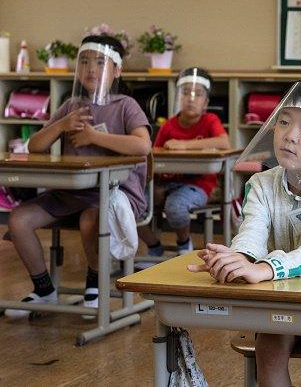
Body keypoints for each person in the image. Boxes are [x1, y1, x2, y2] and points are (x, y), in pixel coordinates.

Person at [188, 74, 301, 387]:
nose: (290, 135)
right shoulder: (261, 183)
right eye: (284, 121)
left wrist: (264, 268)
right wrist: (236, 259)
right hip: (286, 298)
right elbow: (252, 234)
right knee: (268, 349)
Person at [5, 35, 151, 318]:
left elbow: (142, 145)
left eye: (100, 62)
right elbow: (35, 146)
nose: (91, 69)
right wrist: (60, 125)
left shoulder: (125, 105)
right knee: (18, 219)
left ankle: (95, 284)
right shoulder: (71, 106)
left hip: (113, 194)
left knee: (89, 219)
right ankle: (45, 290)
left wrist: (93, 136)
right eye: (84, 61)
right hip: (70, 193)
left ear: (117, 70)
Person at [136, 68, 230, 269]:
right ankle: (154, 247)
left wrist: (185, 145)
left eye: (198, 94)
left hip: (199, 185)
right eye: (186, 92)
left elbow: (224, 143)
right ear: (178, 96)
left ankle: (183, 243)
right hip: (166, 182)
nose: (191, 98)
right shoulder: (169, 125)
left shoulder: (210, 121)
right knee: (132, 204)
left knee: (175, 205)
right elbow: (154, 155)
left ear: (205, 102)